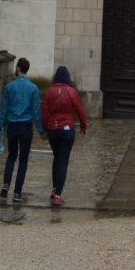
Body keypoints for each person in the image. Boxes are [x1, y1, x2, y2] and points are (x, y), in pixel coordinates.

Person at [0, 57, 44, 206]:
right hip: (25, 127)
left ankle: (5, 184)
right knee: (23, 159)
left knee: (11, 156)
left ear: (18, 68)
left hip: (12, 125)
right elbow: (36, 112)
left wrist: (1, 128)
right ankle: (17, 193)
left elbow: (3, 109)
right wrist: (42, 130)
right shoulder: (33, 88)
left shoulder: (9, 87)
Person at [40, 65, 87, 207]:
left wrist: (44, 129)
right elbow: (80, 110)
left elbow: (43, 112)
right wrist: (83, 125)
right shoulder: (71, 91)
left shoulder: (49, 92)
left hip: (53, 129)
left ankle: (54, 189)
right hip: (67, 129)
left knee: (56, 158)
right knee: (63, 161)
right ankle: (58, 195)